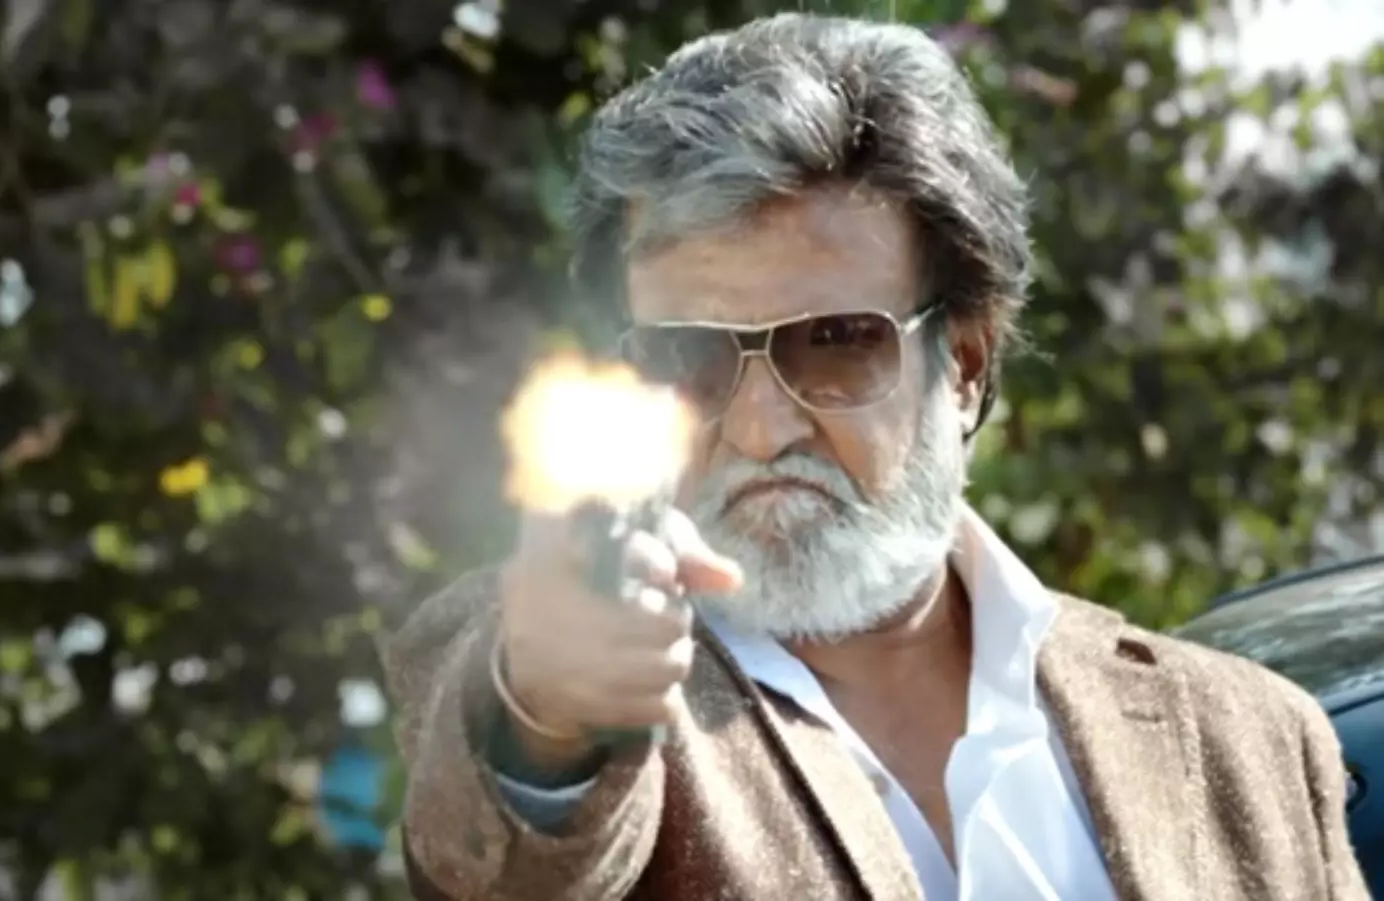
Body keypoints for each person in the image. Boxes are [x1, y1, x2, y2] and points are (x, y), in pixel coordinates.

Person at [384, 13, 1369, 901]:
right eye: (690, 357)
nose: (762, 428)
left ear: (967, 361)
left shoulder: (1252, 739)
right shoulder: (562, 676)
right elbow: (503, 865)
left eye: (837, 341)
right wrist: (546, 719)